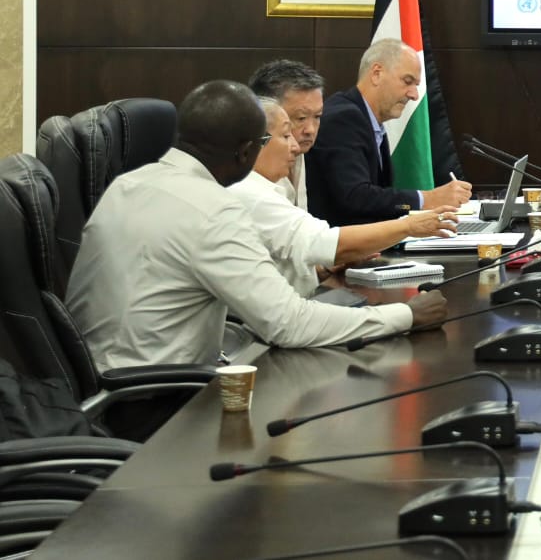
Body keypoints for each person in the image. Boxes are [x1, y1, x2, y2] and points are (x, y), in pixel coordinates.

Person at [65, 80, 448, 370]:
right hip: (160, 401)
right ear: (247, 151)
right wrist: (407, 315)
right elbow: (289, 325)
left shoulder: (127, 184)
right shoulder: (214, 208)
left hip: (103, 377)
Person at [232, 96, 458, 296]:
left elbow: (279, 269)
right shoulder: (252, 193)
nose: (294, 146)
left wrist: (324, 269)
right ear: (256, 145)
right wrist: (408, 226)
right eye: (285, 135)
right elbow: (328, 241)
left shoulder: (270, 187)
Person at [305, 38, 472, 226]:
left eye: (416, 85)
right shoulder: (344, 118)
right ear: (376, 74)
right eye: (407, 81)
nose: (414, 94)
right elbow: (356, 198)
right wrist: (426, 199)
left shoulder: (369, 120)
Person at [248, 58, 325, 209]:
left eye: (317, 116)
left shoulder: (303, 152)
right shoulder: (250, 172)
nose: (310, 129)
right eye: (301, 118)